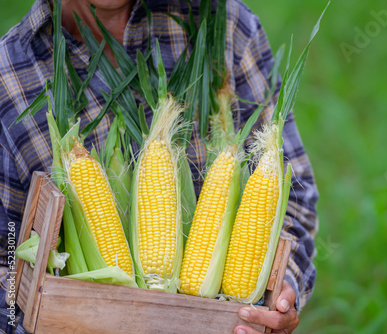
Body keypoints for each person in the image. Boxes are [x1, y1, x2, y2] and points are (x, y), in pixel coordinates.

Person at [0, 0, 319, 333]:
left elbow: (296, 206)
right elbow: (5, 264)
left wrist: (281, 293)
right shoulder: (7, 76)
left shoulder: (226, 24)